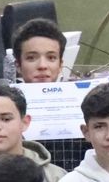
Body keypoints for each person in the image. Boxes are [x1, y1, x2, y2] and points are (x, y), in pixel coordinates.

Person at [11, 16, 88, 171]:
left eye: (51, 58)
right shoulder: (6, 107)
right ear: (18, 65)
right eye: (32, 58)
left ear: (60, 65)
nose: (42, 66)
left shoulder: (81, 104)